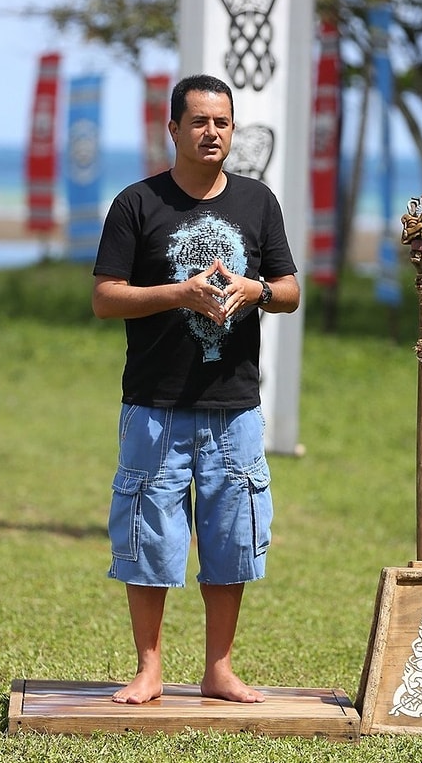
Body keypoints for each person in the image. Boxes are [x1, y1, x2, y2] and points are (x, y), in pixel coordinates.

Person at [92, 74, 300, 706]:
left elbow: (290, 291)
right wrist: (180, 293)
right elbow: (105, 298)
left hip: (234, 404)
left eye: (224, 123)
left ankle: (219, 668)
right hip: (153, 404)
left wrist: (252, 290)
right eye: (201, 122)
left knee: (232, 537)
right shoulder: (137, 204)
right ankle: (149, 670)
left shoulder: (258, 203)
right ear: (174, 128)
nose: (213, 133)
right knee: (147, 537)